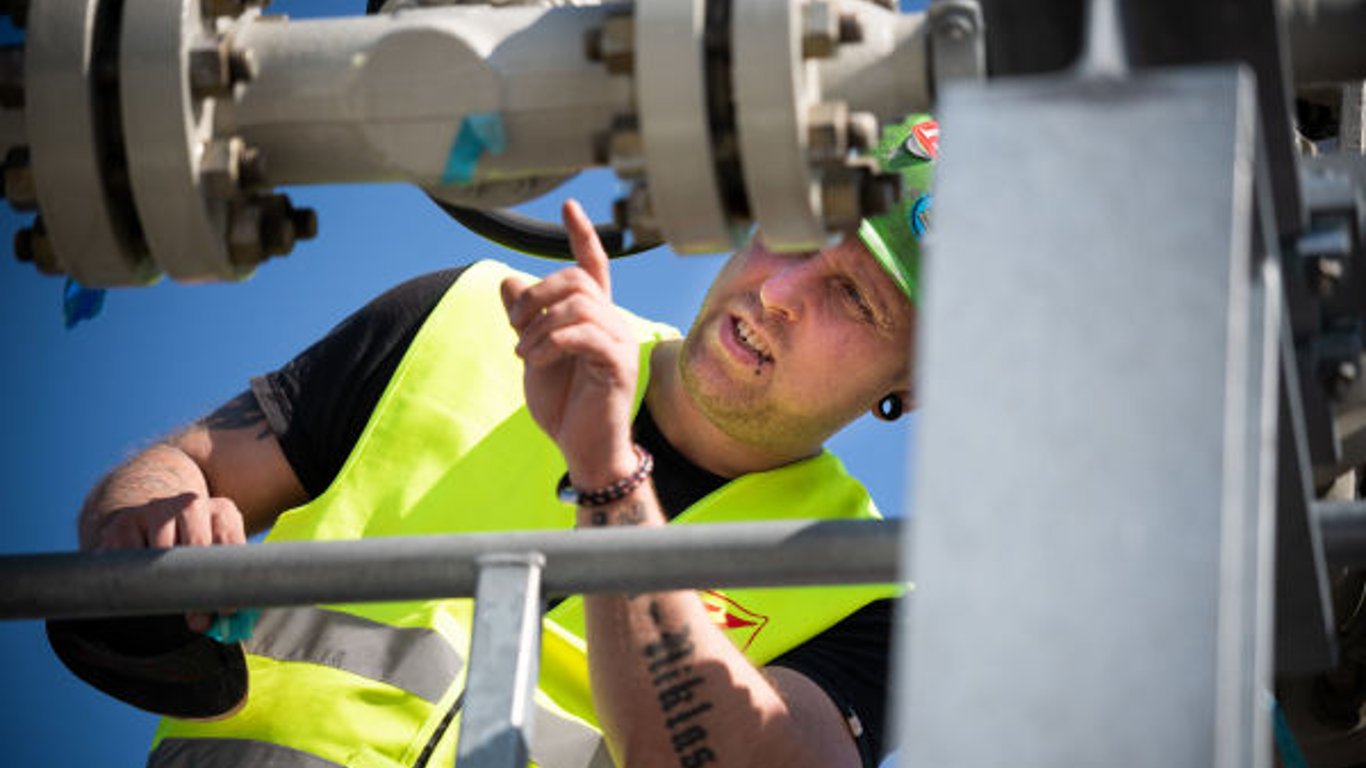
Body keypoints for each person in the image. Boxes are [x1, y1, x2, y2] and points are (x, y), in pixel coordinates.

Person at [58, 114, 938, 768]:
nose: (780, 291)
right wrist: (151, 525)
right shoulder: (469, 315)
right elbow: (183, 468)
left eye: (854, 297)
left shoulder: (866, 589)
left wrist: (608, 475)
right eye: (794, 230)